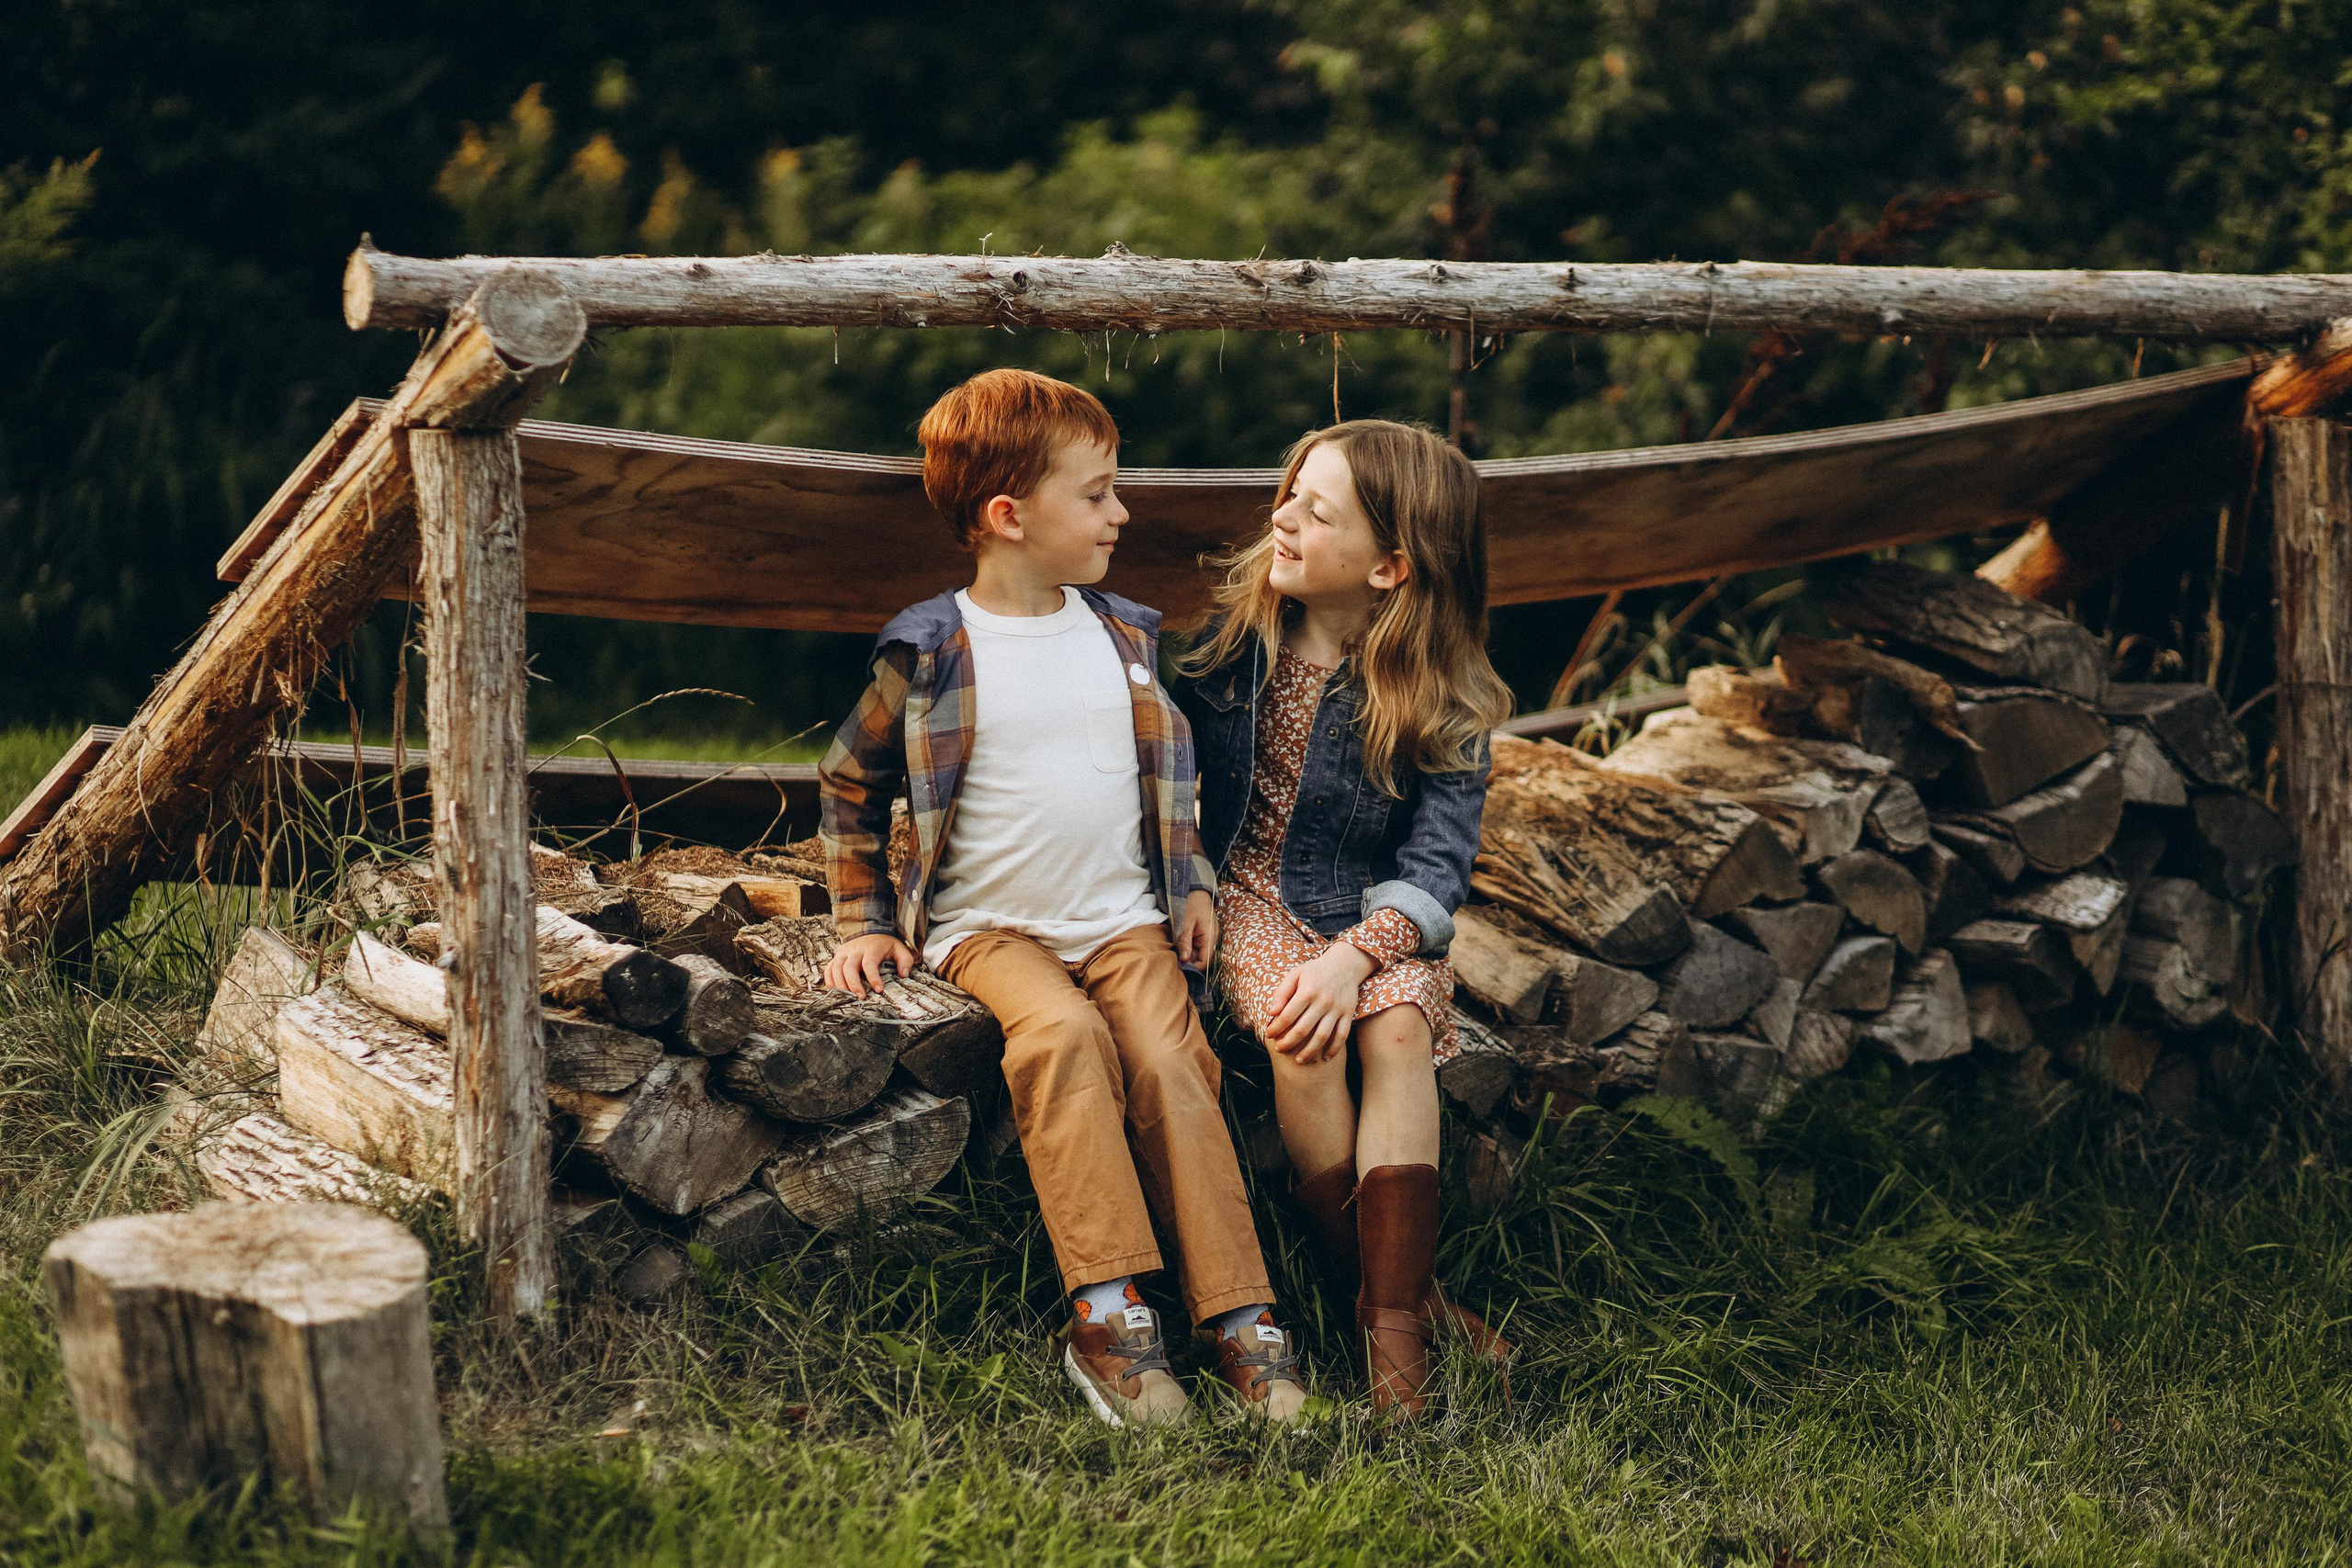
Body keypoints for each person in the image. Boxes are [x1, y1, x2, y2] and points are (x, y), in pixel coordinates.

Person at [818, 368, 1312, 1427]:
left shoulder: (1125, 633)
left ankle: (1240, 1321)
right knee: (1061, 1043)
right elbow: (850, 782)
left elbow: (1162, 775)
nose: (1120, 513)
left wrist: (1186, 885)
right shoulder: (932, 647)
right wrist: (861, 922)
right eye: (1094, 495)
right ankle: (1109, 1313)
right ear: (1008, 516)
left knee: (1178, 1061)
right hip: (990, 932)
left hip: (1126, 921)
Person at [1173, 419, 1517, 1417]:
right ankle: (1407, 1308)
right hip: (1244, 894)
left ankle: (1391, 1340)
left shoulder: (1443, 694)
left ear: (1390, 567)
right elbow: (1159, 787)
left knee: (1400, 1023)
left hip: (1369, 917)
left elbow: (1437, 865)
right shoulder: (1223, 654)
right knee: (1301, 1036)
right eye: (1287, 494)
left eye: (1314, 512)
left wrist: (1357, 958)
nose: (1279, 516)